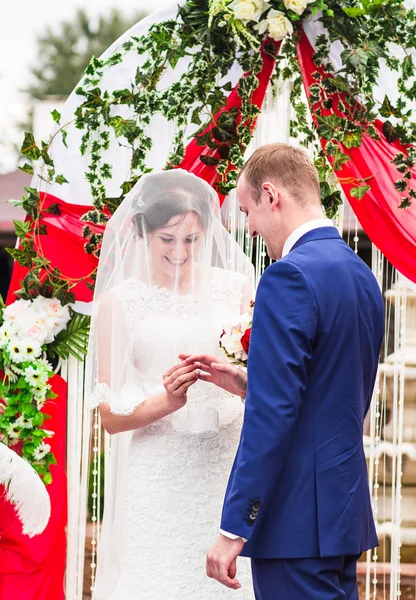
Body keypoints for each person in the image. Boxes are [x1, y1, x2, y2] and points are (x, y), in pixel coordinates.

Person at [181, 143, 384, 599]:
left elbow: (273, 417)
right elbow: (335, 390)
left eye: (247, 210)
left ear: (271, 195)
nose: (248, 226)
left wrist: (235, 527)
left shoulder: (287, 276)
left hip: (295, 523)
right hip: (340, 514)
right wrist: (250, 384)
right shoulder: (360, 274)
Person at [86, 169, 255, 599]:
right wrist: (168, 399)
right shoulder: (119, 303)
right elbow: (110, 418)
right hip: (159, 476)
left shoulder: (237, 288)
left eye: (192, 240)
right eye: (168, 239)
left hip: (224, 469)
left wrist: (236, 382)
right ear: (143, 233)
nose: (180, 251)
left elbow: (265, 385)